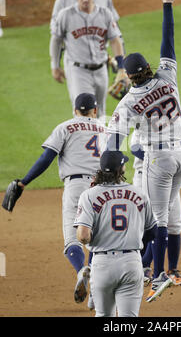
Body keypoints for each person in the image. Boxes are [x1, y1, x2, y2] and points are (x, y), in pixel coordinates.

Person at [106, 0, 181, 303]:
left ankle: (155, 276)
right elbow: (168, 40)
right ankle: (156, 270)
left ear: (129, 76)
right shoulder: (167, 74)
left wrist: (111, 174)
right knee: (165, 215)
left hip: (159, 161)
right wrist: (167, 4)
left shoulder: (127, 103)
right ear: (149, 68)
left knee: (155, 221)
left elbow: (113, 141)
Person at [14, 93, 108, 304]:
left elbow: (46, 158)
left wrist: (24, 182)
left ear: (75, 110)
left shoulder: (66, 126)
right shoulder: (105, 127)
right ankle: (95, 291)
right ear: (95, 110)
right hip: (101, 188)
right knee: (99, 241)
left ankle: (81, 270)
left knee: (72, 241)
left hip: (76, 187)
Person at [74, 150, 157, 317]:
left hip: (102, 263)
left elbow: (83, 236)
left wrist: (96, 237)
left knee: (104, 315)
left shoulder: (89, 195)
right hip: (131, 262)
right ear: (122, 169)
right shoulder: (140, 194)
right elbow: (152, 232)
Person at [50, 0, 126, 120]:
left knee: (100, 112)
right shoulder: (65, 15)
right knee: (83, 111)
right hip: (78, 70)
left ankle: (100, 142)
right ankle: (82, 141)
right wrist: (55, 65)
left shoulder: (105, 14)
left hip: (102, 69)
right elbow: (56, 40)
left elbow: (115, 40)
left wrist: (121, 67)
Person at [130, 130, 181, 286]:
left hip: (169, 176)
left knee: (174, 224)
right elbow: (135, 147)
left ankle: (172, 270)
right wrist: (159, 162)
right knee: (147, 225)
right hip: (145, 177)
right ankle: (143, 267)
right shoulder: (143, 124)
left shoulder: (175, 125)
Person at [50, 0, 122, 73]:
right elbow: (56, 34)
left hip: (102, 57)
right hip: (74, 59)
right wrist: (56, 63)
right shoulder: (62, 1)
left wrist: (121, 62)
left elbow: (115, 30)